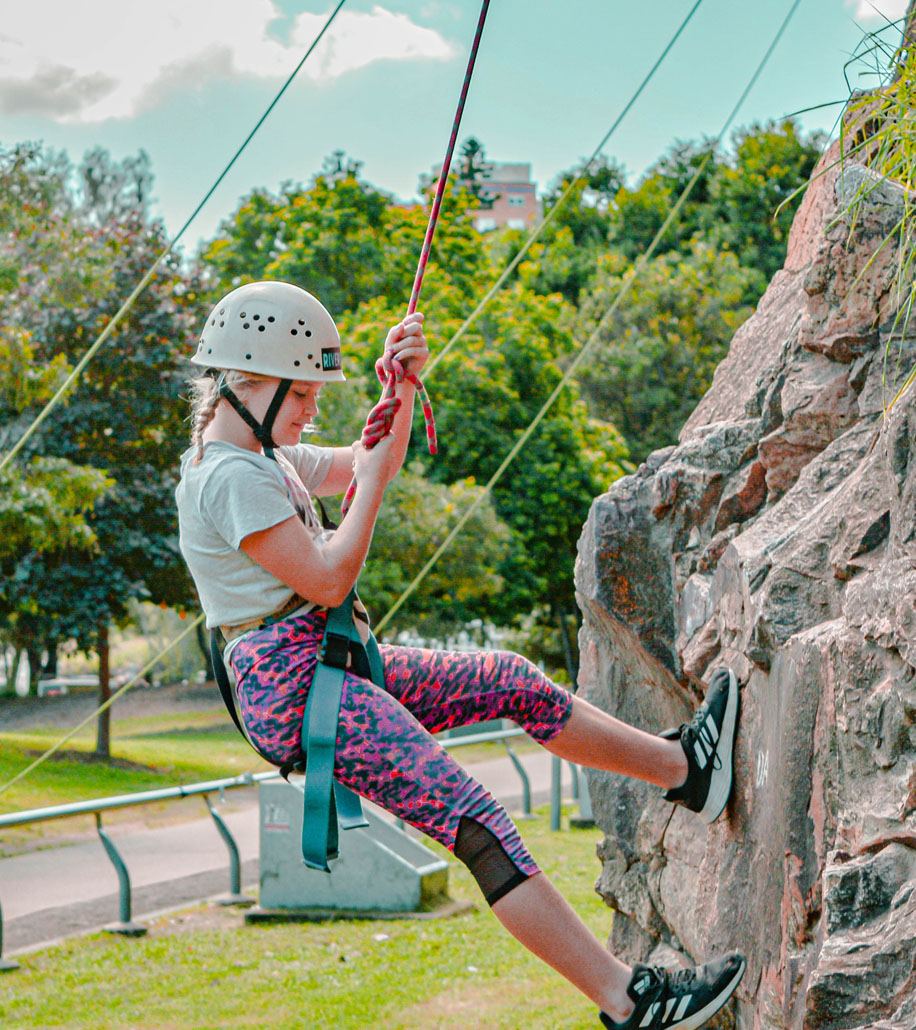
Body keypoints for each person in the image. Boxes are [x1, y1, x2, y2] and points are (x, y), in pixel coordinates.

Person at [175, 280, 745, 1030]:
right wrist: (371, 484)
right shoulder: (227, 478)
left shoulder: (263, 456)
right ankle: (631, 1002)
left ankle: (687, 771)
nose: (313, 409)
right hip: (293, 683)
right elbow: (330, 573)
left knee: (510, 683)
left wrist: (401, 385)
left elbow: (368, 457)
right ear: (251, 381)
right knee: (476, 820)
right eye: (302, 395)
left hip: (322, 660)